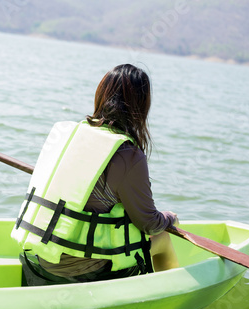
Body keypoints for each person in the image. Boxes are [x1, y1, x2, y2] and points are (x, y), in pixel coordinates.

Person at [11, 64, 179, 286]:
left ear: (101, 95)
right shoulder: (128, 155)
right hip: (85, 271)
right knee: (163, 238)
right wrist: (169, 218)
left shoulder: (71, 135)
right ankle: (170, 295)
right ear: (141, 106)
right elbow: (148, 223)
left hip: (42, 260)